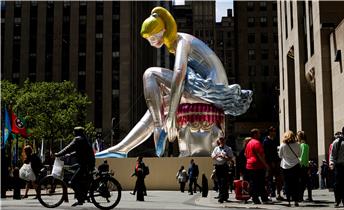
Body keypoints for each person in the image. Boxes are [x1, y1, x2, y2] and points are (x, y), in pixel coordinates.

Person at [98, 6, 252, 157]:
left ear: (163, 30)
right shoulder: (177, 43)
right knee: (157, 106)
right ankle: (121, 149)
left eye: (152, 37)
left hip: (208, 91)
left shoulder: (181, 41)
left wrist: (171, 118)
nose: (151, 43)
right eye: (148, 40)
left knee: (150, 74)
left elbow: (179, 74)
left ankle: (160, 127)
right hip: (203, 92)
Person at [54, 127, 95, 207]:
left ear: (77, 132)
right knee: (75, 172)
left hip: (84, 164)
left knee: (72, 182)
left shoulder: (78, 139)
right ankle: (81, 196)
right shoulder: (84, 139)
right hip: (87, 163)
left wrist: (58, 154)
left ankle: (80, 199)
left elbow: (68, 148)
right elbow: (79, 151)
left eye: (74, 132)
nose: (73, 133)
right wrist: (70, 155)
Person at [245, 129, 271, 204]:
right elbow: (260, 155)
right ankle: (261, 198)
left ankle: (258, 198)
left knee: (254, 182)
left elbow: (246, 154)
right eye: (259, 133)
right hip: (257, 165)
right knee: (260, 183)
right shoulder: (257, 143)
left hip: (249, 165)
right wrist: (266, 165)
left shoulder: (249, 143)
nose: (260, 134)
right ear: (255, 134)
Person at [278, 131, 301, 207]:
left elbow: (280, 156)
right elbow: (299, 154)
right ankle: (296, 201)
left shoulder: (282, 145)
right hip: (295, 166)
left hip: (285, 167)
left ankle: (288, 201)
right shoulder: (297, 144)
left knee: (287, 183)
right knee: (296, 183)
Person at [262, 126, 284, 200]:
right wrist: (270, 162)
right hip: (269, 162)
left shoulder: (275, 140)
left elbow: (276, 151)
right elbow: (265, 153)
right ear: (269, 132)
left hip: (276, 161)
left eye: (275, 131)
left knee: (278, 179)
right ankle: (269, 195)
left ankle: (278, 194)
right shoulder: (265, 141)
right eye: (273, 131)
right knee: (269, 179)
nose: (274, 132)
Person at [211, 137, 234, 203]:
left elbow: (230, 158)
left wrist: (224, 156)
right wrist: (217, 155)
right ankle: (225, 196)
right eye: (220, 140)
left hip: (224, 166)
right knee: (219, 182)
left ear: (225, 140)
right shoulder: (216, 148)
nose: (221, 141)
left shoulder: (228, 148)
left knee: (224, 182)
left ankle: (221, 198)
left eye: (223, 139)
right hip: (217, 167)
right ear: (219, 141)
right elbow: (212, 157)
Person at [297, 131, 312, 202]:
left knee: (302, 182)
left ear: (300, 137)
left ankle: (300, 197)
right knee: (305, 182)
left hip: (302, 166)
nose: (297, 137)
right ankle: (306, 197)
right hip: (305, 166)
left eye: (297, 136)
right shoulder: (306, 145)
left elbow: (302, 157)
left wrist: (298, 163)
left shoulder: (303, 145)